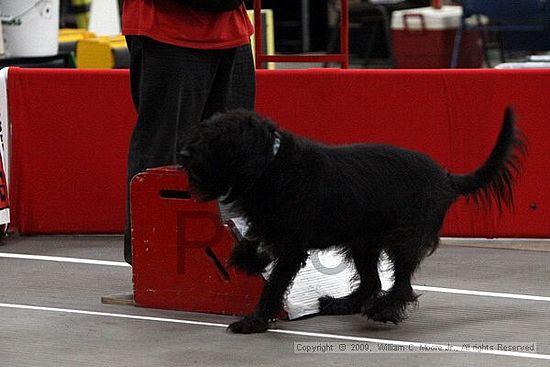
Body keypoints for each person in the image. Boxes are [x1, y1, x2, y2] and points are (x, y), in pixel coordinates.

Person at [121, 0, 256, 265]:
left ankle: (221, 259)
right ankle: (154, 259)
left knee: (235, 150)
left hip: (230, 28)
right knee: (163, 152)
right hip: (168, 30)